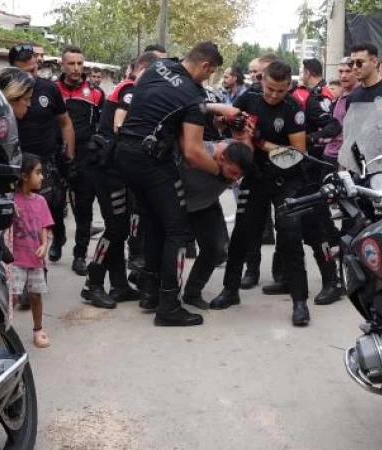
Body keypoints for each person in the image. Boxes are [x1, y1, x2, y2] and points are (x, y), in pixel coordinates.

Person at [116, 41, 224, 327]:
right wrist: (220, 173)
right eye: (210, 73)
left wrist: (214, 108)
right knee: (178, 231)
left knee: (154, 221)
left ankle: (150, 293)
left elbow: (154, 96)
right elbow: (193, 151)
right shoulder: (193, 96)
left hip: (124, 152)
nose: (208, 79)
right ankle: (169, 306)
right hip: (151, 160)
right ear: (206, 66)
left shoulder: (157, 66)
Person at [210, 61, 313, 327]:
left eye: (280, 90)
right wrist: (226, 122)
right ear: (262, 81)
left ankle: (300, 301)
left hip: (286, 180)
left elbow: (297, 153)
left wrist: (262, 143)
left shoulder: (293, 108)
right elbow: (229, 122)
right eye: (270, 89)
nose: (273, 95)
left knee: (290, 236)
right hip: (255, 178)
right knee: (242, 234)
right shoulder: (250, 97)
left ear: (288, 87)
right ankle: (230, 290)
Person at [79, 51, 159, 309]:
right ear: (143, 69)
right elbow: (119, 126)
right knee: (115, 228)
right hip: (107, 168)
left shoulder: (135, 90)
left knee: (120, 227)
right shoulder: (130, 90)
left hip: (117, 167)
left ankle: (119, 285)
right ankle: (92, 284)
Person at [262, 57, 341, 306]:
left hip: (308, 173)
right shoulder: (265, 100)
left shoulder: (307, 100)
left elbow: (333, 125)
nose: (275, 93)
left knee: (315, 230)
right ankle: (285, 277)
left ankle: (333, 281)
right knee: (286, 228)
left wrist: (309, 139)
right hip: (282, 174)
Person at [9, 43, 76, 263]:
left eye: (34, 69)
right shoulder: (6, 91)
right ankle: (33, 263)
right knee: (24, 210)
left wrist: (70, 156)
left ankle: (58, 236)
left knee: (51, 205)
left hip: (46, 160)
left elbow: (65, 123)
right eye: (25, 72)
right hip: (17, 160)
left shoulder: (48, 89)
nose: (32, 76)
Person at [180, 141, 253, 310]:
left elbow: (244, 138)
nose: (235, 180)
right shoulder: (196, 152)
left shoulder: (235, 156)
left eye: (239, 176)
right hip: (177, 206)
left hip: (207, 205)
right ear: (220, 159)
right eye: (233, 173)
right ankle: (154, 288)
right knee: (171, 250)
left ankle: (192, 292)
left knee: (217, 250)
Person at [55, 46, 106, 276]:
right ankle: (58, 237)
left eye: (79, 63)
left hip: (86, 158)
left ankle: (79, 255)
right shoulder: (52, 90)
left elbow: (104, 124)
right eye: (71, 63)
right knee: (54, 205)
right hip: (56, 156)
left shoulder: (95, 93)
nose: (76, 68)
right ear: (62, 65)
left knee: (83, 208)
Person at [238, 53, 279, 290]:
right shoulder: (250, 95)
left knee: (285, 226)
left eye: (260, 73)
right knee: (252, 224)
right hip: (255, 170)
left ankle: (281, 274)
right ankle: (251, 270)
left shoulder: (291, 99)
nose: (255, 77)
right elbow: (229, 115)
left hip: (284, 172)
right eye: (255, 74)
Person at [8, 153, 55, 348]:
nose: (42, 177)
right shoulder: (12, 201)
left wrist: (44, 245)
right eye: (38, 172)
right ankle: (6, 331)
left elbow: (45, 225)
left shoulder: (41, 201)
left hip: (36, 260)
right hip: (16, 259)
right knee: (14, 297)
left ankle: (38, 329)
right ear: (24, 176)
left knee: (36, 296)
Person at [323, 57, 359, 166]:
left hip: (346, 160)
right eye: (340, 71)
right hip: (330, 154)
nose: (343, 75)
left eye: (348, 71)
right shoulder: (340, 94)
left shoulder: (360, 96)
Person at [348, 43, 382, 113]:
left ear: (375, 62)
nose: (354, 67)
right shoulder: (352, 97)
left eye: (360, 62)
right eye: (352, 63)